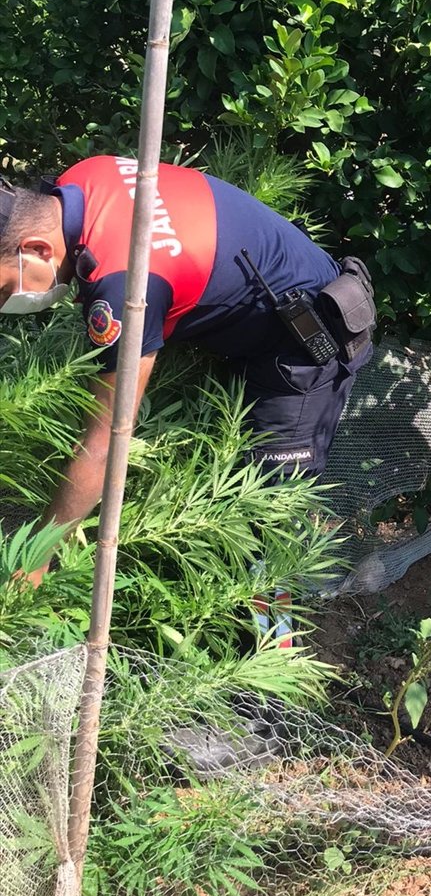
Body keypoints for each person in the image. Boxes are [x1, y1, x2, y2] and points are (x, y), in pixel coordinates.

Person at [0, 156, 376, 604]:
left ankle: (269, 643)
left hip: (306, 345)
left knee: (266, 519)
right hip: (263, 306)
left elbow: (104, 444)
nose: (8, 302)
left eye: (4, 290)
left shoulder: (125, 284)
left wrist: (34, 560)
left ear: (39, 248)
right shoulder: (82, 179)